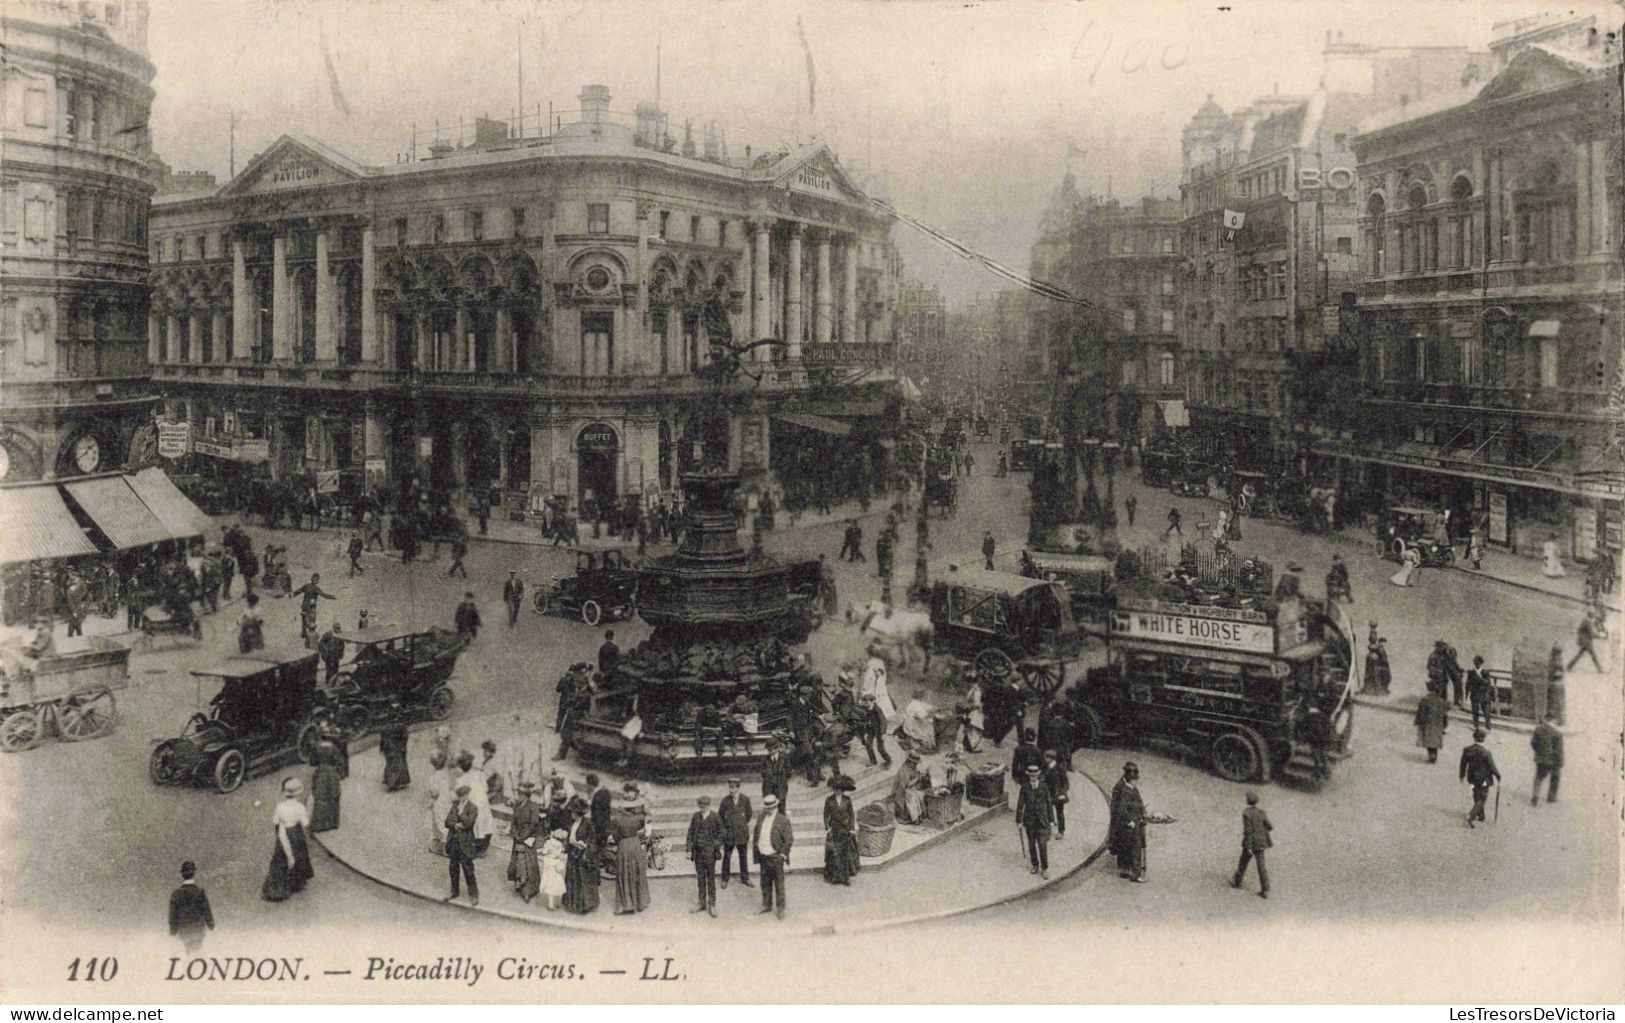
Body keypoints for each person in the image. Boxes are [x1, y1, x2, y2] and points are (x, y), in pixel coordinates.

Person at [261, 777, 314, 902]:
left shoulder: (280, 806)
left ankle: (276, 890)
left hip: (283, 833)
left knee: (279, 860)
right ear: (298, 793)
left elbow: (275, 821)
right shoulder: (300, 807)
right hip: (296, 833)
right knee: (299, 856)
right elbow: (305, 823)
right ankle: (297, 883)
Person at [752, 793, 794, 919]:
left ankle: (780, 909)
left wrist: (782, 854)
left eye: (769, 808)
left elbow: (789, 839)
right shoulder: (761, 817)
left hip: (775, 856)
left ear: (775, 807)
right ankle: (766, 905)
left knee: (779, 884)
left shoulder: (783, 820)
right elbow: (756, 833)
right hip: (763, 855)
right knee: (764, 882)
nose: (767, 810)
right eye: (766, 808)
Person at [1013, 763, 1055, 879]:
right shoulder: (1025, 787)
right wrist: (1019, 820)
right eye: (1031, 776)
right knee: (1031, 845)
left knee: (1042, 845)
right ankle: (1035, 865)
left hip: (1042, 821)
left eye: (1035, 775)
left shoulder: (1044, 787)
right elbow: (1020, 804)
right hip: (1030, 821)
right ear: (1028, 776)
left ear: (1038, 775)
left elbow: (1049, 803)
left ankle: (1045, 868)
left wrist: (1051, 820)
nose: (1033, 778)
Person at [1108, 762, 1147, 882]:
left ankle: (1125, 869)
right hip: (1125, 822)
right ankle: (1134, 873)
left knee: (1126, 846)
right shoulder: (1122, 788)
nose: (1136, 781)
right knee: (1133, 846)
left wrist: (1142, 812)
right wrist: (1128, 821)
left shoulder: (1128, 786)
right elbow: (1118, 808)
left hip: (1130, 821)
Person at [1230, 790, 1272, 899]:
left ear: (1248, 801)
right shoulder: (1262, 812)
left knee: (1243, 863)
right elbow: (1270, 826)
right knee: (1261, 866)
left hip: (1250, 842)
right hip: (1261, 842)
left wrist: (1248, 847)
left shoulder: (1246, 813)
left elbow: (1247, 831)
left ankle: (1237, 882)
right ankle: (1265, 890)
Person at [563, 797, 601, 914]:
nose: (571, 814)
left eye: (573, 812)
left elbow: (593, 840)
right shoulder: (572, 823)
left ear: (578, 813)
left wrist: (584, 845)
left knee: (582, 880)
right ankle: (571, 903)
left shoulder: (588, 823)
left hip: (583, 855)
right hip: (572, 854)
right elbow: (570, 836)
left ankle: (584, 905)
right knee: (572, 879)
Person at [443, 784, 480, 906]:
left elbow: (469, 823)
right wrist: (456, 825)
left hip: (465, 843)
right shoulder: (455, 806)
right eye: (460, 796)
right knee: (453, 868)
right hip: (454, 842)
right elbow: (447, 822)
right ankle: (454, 891)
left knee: (468, 869)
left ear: (468, 795)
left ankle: (474, 895)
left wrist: (461, 813)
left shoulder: (473, 808)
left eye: (464, 795)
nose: (461, 798)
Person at [686, 795, 723, 915]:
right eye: (700, 806)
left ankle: (712, 904)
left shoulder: (715, 817)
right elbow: (690, 833)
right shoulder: (696, 816)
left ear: (708, 805)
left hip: (710, 853)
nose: (702, 808)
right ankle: (701, 903)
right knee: (700, 879)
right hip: (698, 853)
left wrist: (714, 845)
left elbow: (722, 833)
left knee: (711, 879)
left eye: (704, 806)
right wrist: (688, 850)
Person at [611, 800, 650, 915]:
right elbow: (642, 829)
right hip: (636, 844)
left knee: (625, 873)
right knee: (638, 871)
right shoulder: (639, 818)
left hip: (624, 845)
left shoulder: (617, 819)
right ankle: (641, 903)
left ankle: (627, 905)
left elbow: (615, 836)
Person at [168, 861, 215, 952]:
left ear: (182, 874)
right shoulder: (200, 892)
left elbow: (173, 914)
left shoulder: (176, 894)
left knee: (186, 950)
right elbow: (206, 910)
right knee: (196, 950)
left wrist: (173, 930)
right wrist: (210, 924)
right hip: (198, 928)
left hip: (183, 928)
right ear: (194, 873)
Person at [507, 782, 542, 903]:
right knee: (518, 861)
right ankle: (519, 884)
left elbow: (533, 825)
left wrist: (522, 837)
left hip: (528, 839)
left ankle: (528, 891)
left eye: (521, 794)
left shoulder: (534, 807)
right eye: (518, 794)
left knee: (527, 864)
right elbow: (514, 822)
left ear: (527, 795)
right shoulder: (517, 805)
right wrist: (515, 834)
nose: (518, 796)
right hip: (518, 837)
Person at [822, 776, 860, 886]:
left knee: (845, 854)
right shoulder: (829, 800)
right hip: (834, 830)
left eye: (838, 788)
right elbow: (825, 816)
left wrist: (852, 828)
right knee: (834, 854)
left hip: (845, 830)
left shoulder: (847, 800)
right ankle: (834, 877)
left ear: (842, 789)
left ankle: (845, 878)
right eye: (835, 788)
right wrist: (827, 829)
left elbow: (851, 815)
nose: (836, 790)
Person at [1459, 729, 1500, 828]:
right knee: (1482, 798)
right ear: (1483, 739)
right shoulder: (1486, 752)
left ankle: (1481, 815)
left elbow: (1463, 764)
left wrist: (1462, 775)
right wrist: (1498, 776)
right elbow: (1492, 766)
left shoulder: (1467, 750)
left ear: (1474, 738)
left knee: (1476, 795)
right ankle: (1471, 815)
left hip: (1472, 778)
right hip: (1484, 779)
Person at [719, 777, 753, 888]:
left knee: (743, 856)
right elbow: (720, 816)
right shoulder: (725, 801)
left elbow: (748, 815)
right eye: (730, 787)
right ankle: (725, 878)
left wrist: (740, 824)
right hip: (729, 833)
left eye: (733, 788)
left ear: (738, 788)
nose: (731, 790)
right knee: (727, 857)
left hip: (742, 834)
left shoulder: (745, 799)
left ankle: (745, 878)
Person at [308, 733, 344, 833]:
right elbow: (340, 763)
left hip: (321, 773)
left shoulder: (316, 748)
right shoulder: (334, 749)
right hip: (332, 774)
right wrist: (339, 773)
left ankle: (319, 824)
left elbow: (312, 762)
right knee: (333, 796)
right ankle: (332, 823)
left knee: (321, 797)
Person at [1530, 710, 1563, 806]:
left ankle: (1535, 797)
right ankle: (1551, 798)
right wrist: (1560, 762)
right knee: (1555, 777)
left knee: (1538, 778)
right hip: (1553, 761)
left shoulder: (1538, 729)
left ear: (1546, 719)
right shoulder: (1557, 733)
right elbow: (1559, 751)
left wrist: (1538, 752)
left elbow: (1533, 743)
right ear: (1553, 720)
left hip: (1540, 759)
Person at [425, 751, 453, 854]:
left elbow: (435, 793)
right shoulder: (447, 774)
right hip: (447, 800)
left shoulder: (434, 777)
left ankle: (446, 848)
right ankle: (440, 840)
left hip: (439, 803)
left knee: (440, 822)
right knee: (444, 820)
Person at [1414, 689, 1450, 764]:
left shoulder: (1425, 700)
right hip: (1438, 724)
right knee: (1435, 740)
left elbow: (1421, 713)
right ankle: (1434, 755)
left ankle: (1431, 755)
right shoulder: (1442, 701)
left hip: (1428, 723)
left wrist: (1418, 722)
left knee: (1428, 740)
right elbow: (1445, 714)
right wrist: (1445, 725)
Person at [891, 752, 928, 824]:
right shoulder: (903, 770)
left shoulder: (911, 768)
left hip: (908, 789)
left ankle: (920, 816)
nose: (916, 765)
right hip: (900, 792)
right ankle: (914, 818)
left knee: (920, 794)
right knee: (912, 797)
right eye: (914, 763)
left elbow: (913, 779)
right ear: (909, 762)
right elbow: (906, 785)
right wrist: (917, 778)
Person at [1042, 749, 1070, 840]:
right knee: (1046, 813)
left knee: (1059, 813)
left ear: (1051, 758)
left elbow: (1065, 783)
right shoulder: (1045, 766)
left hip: (1057, 795)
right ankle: (1047, 831)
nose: (1045, 759)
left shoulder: (1060, 768)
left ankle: (1061, 831)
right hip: (1047, 794)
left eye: (1046, 757)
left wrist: (1062, 793)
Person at [900, 688, 937, 752]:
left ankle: (924, 743)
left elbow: (926, 706)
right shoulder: (916, 704)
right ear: (920, 696)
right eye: (922, 695)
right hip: (913, 723)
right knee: (929, 726)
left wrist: (932, 708)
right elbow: (923, 715)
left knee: (928, 723)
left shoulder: (916, 702)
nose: (923, 697)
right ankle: (926, 745)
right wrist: (932, 714)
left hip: (910, 721)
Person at [539, 828, 567, 911]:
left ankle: (552, 903)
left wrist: (548, 852)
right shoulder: (559, 845)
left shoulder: (549, 842)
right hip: (554, 864)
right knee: (555, 884)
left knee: (549, 882)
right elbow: (557, 855)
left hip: (548, 864)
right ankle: (552, 904)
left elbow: (544, 852)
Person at [1465, 656, 1494, 732]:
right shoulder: (1471, 673)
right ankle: (1475, 726)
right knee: (1475, 711)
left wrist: (1480, 679)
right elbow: (1468, 684)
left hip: (1483, 695)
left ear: (1481, 663)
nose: (1477, 665)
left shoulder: (1485, 672)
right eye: (1475, 663)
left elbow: (1488, 682)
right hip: (1474, 694)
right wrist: (1467, 694)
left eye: (1478, 663)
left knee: (1486, 711)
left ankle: (1488, 727)